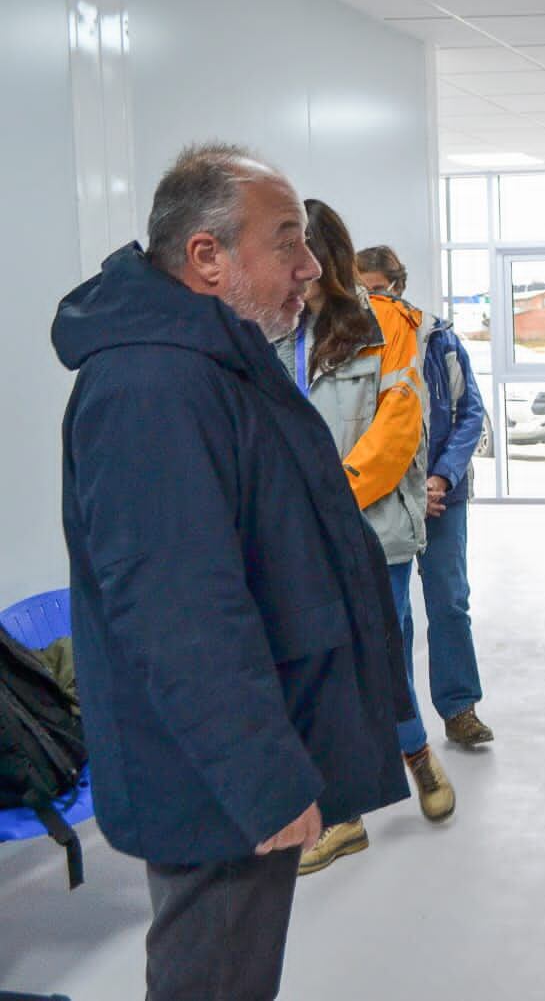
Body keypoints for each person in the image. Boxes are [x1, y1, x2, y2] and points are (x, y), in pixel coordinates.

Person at [52, 143, 410, 1000]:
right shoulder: (154, 384)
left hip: (231, 758)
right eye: (286, 241)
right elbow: (179, 609)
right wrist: (262, 778)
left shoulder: (213, 360)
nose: (310, 266)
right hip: (212, 777)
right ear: (207, 256)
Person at [279, 200, 454, 875]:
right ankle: (345, 813)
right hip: (297, 534)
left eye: (301, 252)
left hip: (369, 528)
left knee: (376, 655)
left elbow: (397, 430)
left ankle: (414, 756)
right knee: (321, 665)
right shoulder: (273, 330)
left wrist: (329, 499)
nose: (293, 270)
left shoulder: (387, 326)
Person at [355, 245, 494, 748]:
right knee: (394, 615)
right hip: (388, 498)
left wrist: (440, 479)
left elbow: (469, 415)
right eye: (360, 288)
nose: (369, 298)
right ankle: (402, 723)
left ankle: (460, 710)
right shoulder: (353, 344)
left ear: (397, 284)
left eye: (376, 288)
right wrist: (407, 488)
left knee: (450, 603)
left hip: (442, 497)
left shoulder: (438, 338)